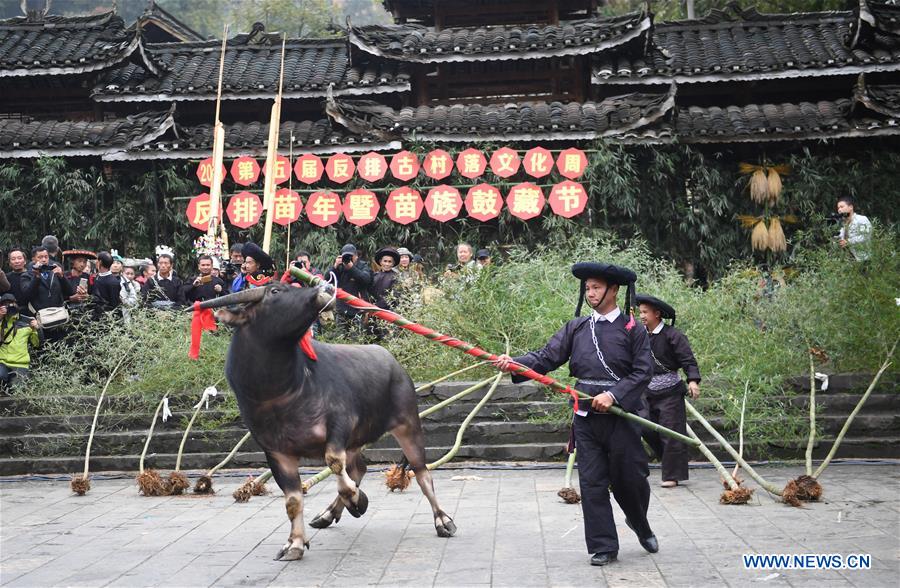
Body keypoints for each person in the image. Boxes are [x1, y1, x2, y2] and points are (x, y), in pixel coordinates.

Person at [494, 262, 656, 567]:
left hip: (623, 417)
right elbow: (545, 357)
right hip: (586, 417)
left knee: (631, 480)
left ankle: (640, 522)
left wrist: (614, 395)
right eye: (588, 288)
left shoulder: (633, 330)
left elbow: (642, 372)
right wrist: (514, 363)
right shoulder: (577, 327)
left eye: (596, 287)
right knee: (592, 482)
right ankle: (603, 545)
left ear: (614, 290)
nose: (590, 293)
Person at [636, 294, 701, 488]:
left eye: (645, 312)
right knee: (644, 426)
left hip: (670, 392)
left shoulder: (674, 335)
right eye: (640, 312)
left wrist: (693, 381)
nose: (642, 316)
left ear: (657, 314)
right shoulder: (640, 336)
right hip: (646, 391)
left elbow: (688, 360)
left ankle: (672, 474)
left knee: (671, 432)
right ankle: (670, 459)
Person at [0, 293, 41, 392]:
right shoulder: (1, 321)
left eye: (11, 304)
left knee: (16, 390)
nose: (9, 307)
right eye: (6, 305)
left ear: (16, 304)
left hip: (20, 364)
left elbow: (36, 344)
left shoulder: (27, 321)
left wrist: (37, 329)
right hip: (2, 363)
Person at [328, 244, 373, 329]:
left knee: (356, 339)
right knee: (340, 338)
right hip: (341, 309)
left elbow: (366, 280)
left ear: (356, 256)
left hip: (358, 309)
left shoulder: (362, 265)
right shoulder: (340, 267)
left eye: (350, 256)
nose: (348, 259)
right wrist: (335, 266)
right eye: (346, 256)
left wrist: (351, 267)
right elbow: (327, 280)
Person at [836, 196, 872, 261]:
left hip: (863, 259)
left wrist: (848, 242)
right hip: (849, 261)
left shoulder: (861, 219)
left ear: (851, 207)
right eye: (838, 208)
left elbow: (865, 236)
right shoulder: (842, 224)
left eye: (842, 207)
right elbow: (840, 239)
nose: (839, 210)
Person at [5, 248, 32, 313]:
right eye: (13, 259)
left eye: (19, 258)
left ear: (25, 261)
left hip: (32, 311)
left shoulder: (32, 275)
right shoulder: (6, 278)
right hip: (12, 312)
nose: (17, 261)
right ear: (9, 263)